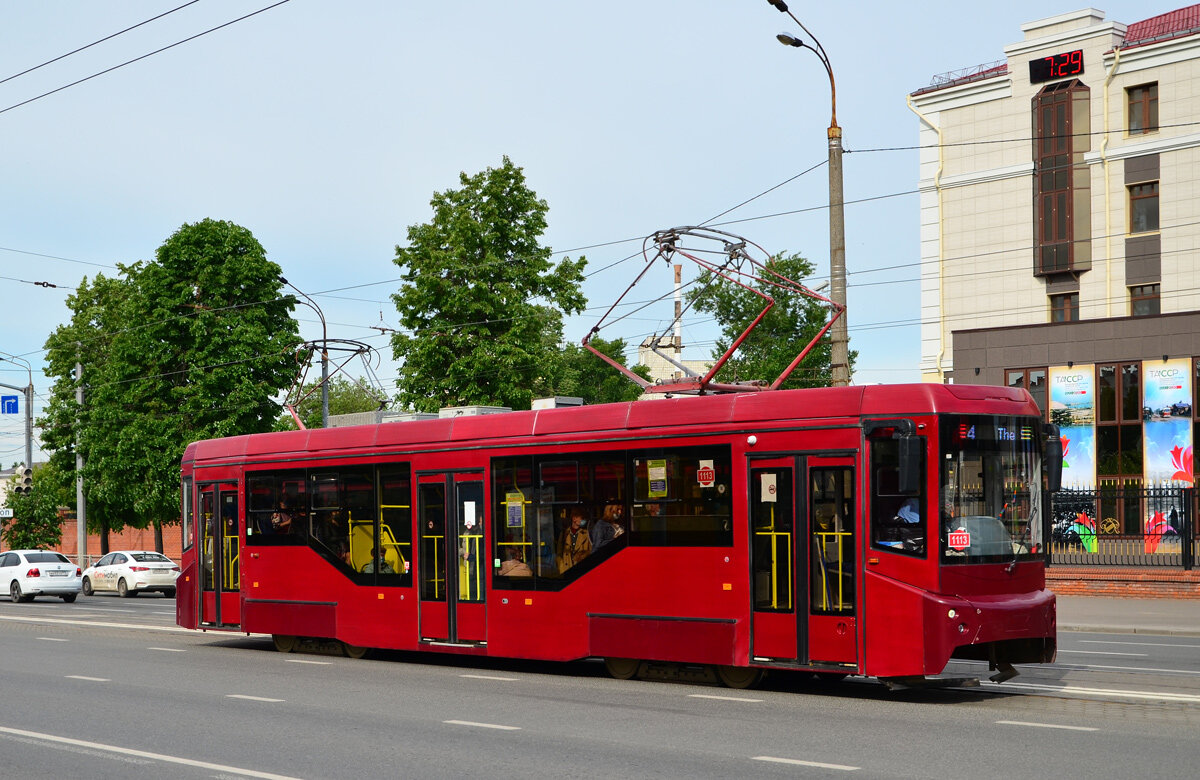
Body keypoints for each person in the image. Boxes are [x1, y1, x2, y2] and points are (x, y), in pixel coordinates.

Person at [557, 508, 592, 573]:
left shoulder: (587, 534)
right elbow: (559, 554)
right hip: (567, 570)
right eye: (582, 518)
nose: (584, 521)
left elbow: (591, 551)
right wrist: (562, 568)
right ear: (574, 519)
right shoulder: (564, 533)